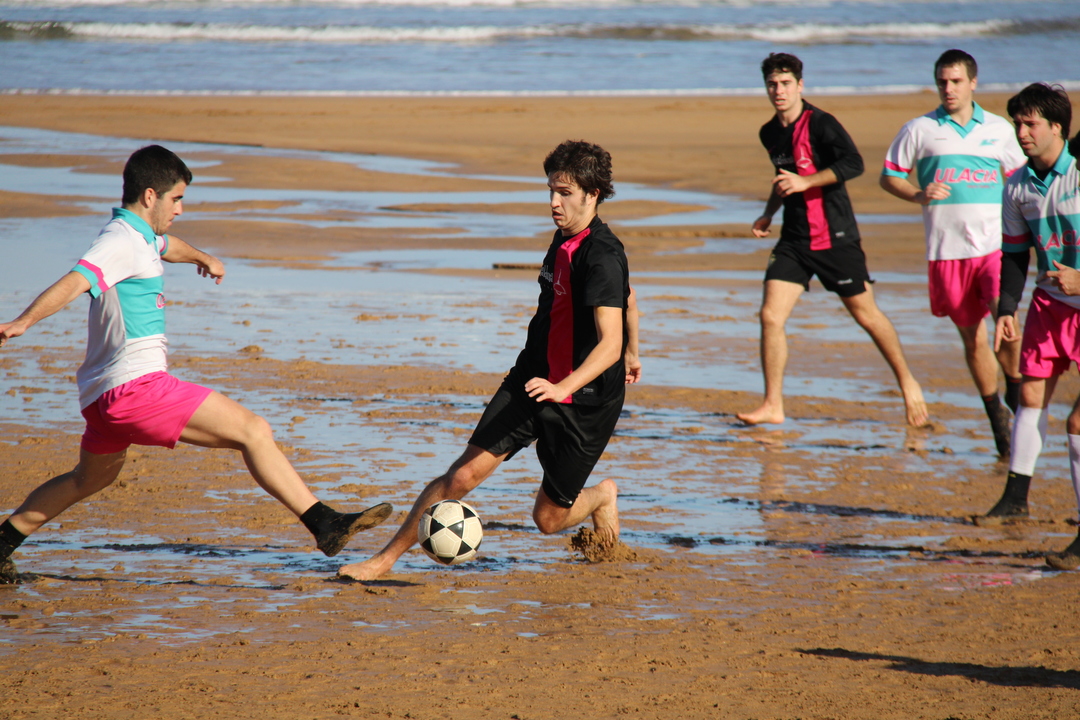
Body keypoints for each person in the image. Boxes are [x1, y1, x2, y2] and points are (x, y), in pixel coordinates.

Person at [0, 145, 392, 584]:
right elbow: (76, 281)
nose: (180, 209)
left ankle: (1, 545)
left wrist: (203, 258)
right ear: (150, 196)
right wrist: (22, 322)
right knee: (253, 431)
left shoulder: (140, 237)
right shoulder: (119, 242)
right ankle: (324, 523)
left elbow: (166, 247)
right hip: (135, 388)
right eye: (177, 199)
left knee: (85, 481)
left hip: (102, 397)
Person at [339, 140, 640, 581]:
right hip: (532, 380)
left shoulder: (604, 255)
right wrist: (635, 349)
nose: (553, 203)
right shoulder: (565, 237)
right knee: (460, 477)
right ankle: (381, 561)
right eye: (550, 191)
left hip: (585, 401)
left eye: (564, 193)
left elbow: (608, 343)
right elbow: (628, 298)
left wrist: (595, 368)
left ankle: (602, 496)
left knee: (548, 519)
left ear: (592, 195)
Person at [738, 52, 928, 428]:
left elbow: (854, 163)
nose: (779, 91)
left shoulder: (822, 124)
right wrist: (769, 212)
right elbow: (784, 177)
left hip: (835, 237)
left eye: (786, 83)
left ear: (800, 85)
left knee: (866, 315)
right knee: (770, 315)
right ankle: (773, 404)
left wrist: (807, 181)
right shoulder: (769, 132)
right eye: (772, 84)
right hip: (794, 239)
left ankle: (908, 383)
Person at [880, 49, 1026, 457]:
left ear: (973, 83)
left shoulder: (999, 130)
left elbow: (1021, 182)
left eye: (956, 81)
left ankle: (1016, 390)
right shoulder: (920, 129)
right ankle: (997, 418)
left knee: (1007, 324)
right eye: (942, 81)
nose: (948, 88)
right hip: (946, 253)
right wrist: (917, 194)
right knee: (974, 340)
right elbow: (889, 176)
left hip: (995, 247)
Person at [974, 84, 1080, 570]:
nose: (1021, 132)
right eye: (1017, 123)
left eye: (1031, 123)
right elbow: (1015, 255)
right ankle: (1016, 497)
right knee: (1030, 396)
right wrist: (1005, 309)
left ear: (1057, 127)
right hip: (1049, 306)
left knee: (1077, 424)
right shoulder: (1016, 185)